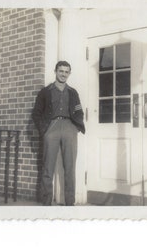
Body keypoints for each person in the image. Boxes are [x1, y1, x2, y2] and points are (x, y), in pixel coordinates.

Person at [32, 60, 85, 206]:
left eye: (66, 72)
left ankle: (70, 203)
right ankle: (46, 202)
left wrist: (76, 127)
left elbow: (79, 111)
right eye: (61, 71)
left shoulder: (73, 92)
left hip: (69, 127)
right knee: (48, 166)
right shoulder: (45, 91)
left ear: (69, 74)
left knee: (70, 167)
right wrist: (44, 130)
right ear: (55, 71)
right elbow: (36, 113)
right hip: (52, 127)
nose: (63, 74)